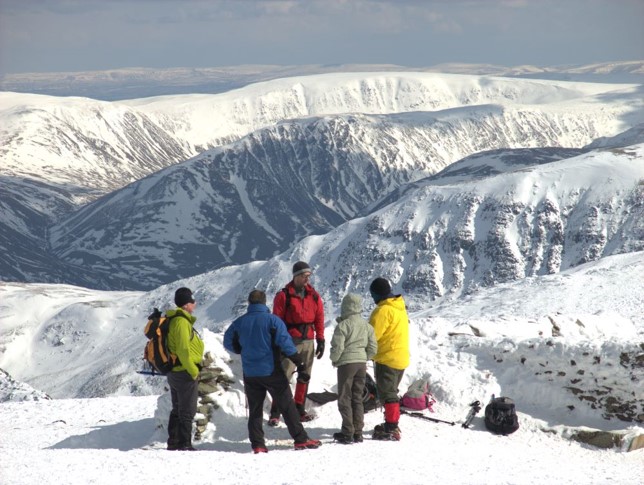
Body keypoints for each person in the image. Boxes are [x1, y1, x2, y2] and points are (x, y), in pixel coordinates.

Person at [223, 289, 321, 452]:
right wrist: (299, 363)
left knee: (255, 410)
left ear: (249, 303)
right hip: (271, 370)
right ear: (264, 302)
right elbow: (286, 344)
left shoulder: (239, 323)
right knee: (287, 406)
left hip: (251, 373)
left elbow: (227, 342)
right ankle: (300, 439)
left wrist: (240, 349)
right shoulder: (272, 321)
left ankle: (258, 445)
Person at [268, 261, 325, 425]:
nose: (307, 279)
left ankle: (299, 408)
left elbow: (319, 317)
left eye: (309, 276)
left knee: (304, 375)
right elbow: (277, 320)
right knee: (284, 376)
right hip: (290, 341)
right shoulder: (283, 296)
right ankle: (276, 412)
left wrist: (320, 339)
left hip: (308, 339)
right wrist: (278, 342)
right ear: (296, 276)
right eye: (304, 276)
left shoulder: (313, 295)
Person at [329, 293, 377, 444]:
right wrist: (364, 357)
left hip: (346, 365)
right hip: (361, 365)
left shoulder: (343, 325)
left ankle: (347, 432)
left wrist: (334, 359)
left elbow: (338, 347)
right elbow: (373, 347)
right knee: (358, 398)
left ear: (345, 306)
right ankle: (358, 432)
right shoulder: (367, 326)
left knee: (344, 397)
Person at [368, 277, 410, 441]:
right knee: (391, 391)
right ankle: (391, 423)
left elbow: (372, 336)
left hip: (387, 358)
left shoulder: (383, 311)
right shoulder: (399, 307)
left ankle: (391, 427)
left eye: (373, 295)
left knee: (388, 394)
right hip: (400, 357)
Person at [165, 287, 205, 451]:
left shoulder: (176, 320)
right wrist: (193, 371)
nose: (195, 304)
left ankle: (173, 442)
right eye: (192, 301)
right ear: (187, 304)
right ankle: (184, 443)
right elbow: (183, 350)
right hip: (184, 371)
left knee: (178, 408)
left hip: (176, 371)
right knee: (187, 409)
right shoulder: (181, 322)